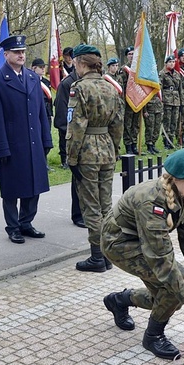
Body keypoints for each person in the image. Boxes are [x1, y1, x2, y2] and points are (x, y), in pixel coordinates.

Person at [101, 148, 184, 359]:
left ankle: (120, 300)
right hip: (120, 243)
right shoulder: (151, 202)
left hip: (144, 243)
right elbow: (160, 256)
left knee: (169, 295)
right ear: (177, 179)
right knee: (176, 286)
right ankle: (153, 336)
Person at [0, 35, 52, 244]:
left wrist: (46, 139)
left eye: (23, 52)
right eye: (16, 52)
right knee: (12, 189)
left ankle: (26, 222)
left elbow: (41, 112)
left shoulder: (32, 78)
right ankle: (13, 227)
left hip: (33, 142)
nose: (21, 55)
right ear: (6, 55)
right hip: (13, 144)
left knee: (35, 186)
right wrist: (1, 148)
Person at [65, 44, 123, 272]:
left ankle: (97, 257)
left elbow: (76, 126)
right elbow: (118, 125)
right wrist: (114, 149)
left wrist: (71, 158)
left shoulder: (79, 88)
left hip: (87, 151)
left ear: (80, 63)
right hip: (107, 148)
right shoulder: (110, 88)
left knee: (90, 206)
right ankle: (107, 254)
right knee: (106, 206)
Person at [54, 49, 85, 228]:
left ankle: (91, 212)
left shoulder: (92, 82)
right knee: (79, 178)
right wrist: (73, 136)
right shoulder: (67, 84)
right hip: (75, 138)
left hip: (92, 140)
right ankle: (78, 214)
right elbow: (61, 117)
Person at [119, 46, 141, 155]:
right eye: (129, 54)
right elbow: (122, 87)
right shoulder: (124, 70)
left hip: (137, 100)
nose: (131, 56)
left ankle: (134, 144)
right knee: (127, 124)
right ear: (127, 56)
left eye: (133, 54)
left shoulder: (139, 69)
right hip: (128, 101)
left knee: (135, 124)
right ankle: (128, 146)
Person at [160, 55, 183, 148]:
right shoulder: (162, 73)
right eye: (170, 62)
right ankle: (166, 141)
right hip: (167, 100)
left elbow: (180, 89)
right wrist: (161, 101)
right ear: (166, 63)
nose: (172, 63)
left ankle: (171, 139)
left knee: (174, 121)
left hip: (176, 100)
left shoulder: (177, 74)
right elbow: (160, 89)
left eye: (173, 62)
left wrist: (182, 102)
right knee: (167, 121)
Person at [31, 58, 53, 127]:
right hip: (36, 110)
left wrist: (51, 113)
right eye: (40, 67)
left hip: (46, 111)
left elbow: (49, 99)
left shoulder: (47, 82)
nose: (43, 69)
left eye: (44, 67)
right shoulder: (30, 81)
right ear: (34, 68)